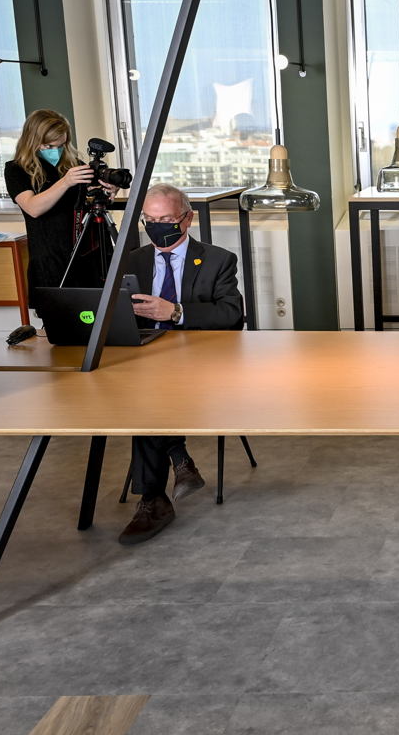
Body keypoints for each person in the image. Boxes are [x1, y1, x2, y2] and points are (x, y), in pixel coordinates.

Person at [118, 183, 244, 544]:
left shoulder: (218, 259)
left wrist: (174, 311)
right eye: (150, 220)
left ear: (187, 219)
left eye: (167, 219)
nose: (157, 226)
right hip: (144, 356)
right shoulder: (131, 261)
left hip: (200, 360)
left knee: (149, 404)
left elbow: (232, 314)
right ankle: (178, 456)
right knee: (140, 391)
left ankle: (153, 499)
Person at [4, 109, 116, 291]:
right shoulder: (16, 170)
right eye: (48, 146)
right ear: (32, 141)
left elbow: (90, 201)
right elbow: (33, 208)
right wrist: (65, 182)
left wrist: (107, 191)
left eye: (61, 145)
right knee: (57, 315)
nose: (55, 151)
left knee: (96, 314)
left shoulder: (75, 166)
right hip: (50, 258)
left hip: (86, 256)